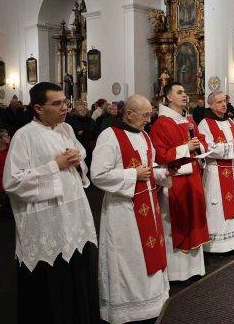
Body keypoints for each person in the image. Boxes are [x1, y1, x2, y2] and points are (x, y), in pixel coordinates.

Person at [3, 82, 99, 323]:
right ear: (38, 108)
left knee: (76, 274)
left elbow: (80, 156)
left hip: (73, 215)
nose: (65, 107)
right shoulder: (24, 136)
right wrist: (54, 166)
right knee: (52, 284)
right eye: (57, 103)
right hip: (46, 221)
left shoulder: (66, 128)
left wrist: (77, 159)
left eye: (65, 102)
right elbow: (13, 182)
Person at [91, 95, 170, 324]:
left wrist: (164, 173)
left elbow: (149, 169)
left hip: (148, 205)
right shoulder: (110, 136)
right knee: (129, 257)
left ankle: (152, 302)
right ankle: (128, 310)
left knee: (148, 254)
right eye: (145, 115)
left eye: (150, 115)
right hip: (123, 210)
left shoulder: (144, 135)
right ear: (128, 114)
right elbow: (98, 174)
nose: (148, 120)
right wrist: (133, 174)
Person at [149, 81, 210, 281]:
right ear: (169, 97)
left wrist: (198, 147)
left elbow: (201, 141)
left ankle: (194, 269)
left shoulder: (188, 120)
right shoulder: (161, 124)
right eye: (180, 92)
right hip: (174, 180)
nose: (185, 95)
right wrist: (186, 148)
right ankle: (177, 273)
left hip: (193, 178)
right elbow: (160, 154)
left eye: (185, 92)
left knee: (195, 220)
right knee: (176, 224)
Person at [198, 91, 234, 253]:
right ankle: (217, 247)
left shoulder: (230, 121)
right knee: (217, 209)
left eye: (224, 101)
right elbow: (206, 147)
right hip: (216, 174)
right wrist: (231, 146)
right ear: (210, 105)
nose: (224, 104)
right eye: (219, 102)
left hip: (232, 172)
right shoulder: (205, 123)